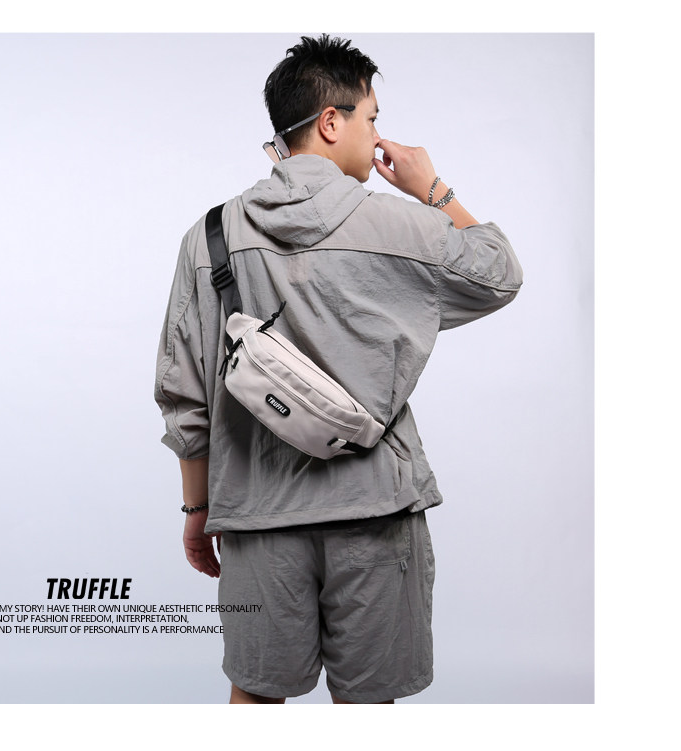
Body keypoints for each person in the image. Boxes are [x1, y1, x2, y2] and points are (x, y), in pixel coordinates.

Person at [155, 34, 522, 704]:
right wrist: (432, 188)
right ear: (331, 121)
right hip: (375, 511)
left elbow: (185, 395)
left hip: (256, 515)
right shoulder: (399, 226)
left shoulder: (210, 236)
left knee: (255, 695)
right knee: (366, 704)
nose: (378, 133)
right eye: (372, 117)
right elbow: (499, 273)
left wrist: (198, 509)